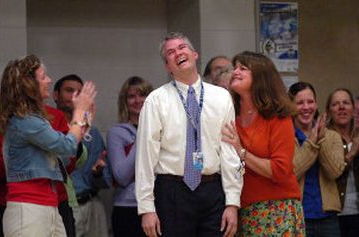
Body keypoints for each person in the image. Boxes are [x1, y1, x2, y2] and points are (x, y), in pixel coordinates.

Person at [135, 32, 242, 237]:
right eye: (171, 52)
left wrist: (232, 202)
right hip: (172, 191)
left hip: (212, 189)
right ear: (167, 66)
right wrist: (146, 208)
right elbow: (145, 157)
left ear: (195, 54)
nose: (178, 53)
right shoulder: (155, 100)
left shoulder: (221, 97)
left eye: (182, 48)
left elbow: (229, 152)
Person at [0, 54, 96, 237]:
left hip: (47, 204)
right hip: (28, 208)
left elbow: (64, 158)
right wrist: (79, 112)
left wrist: (83, 122)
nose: (49, 80)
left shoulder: (33, 119)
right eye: (43, 77)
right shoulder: (25, 120)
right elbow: (66, 146)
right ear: (28, 85)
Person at [222, 51, 305, 236]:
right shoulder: (229, 116)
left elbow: (280, 170)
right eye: (235, 67)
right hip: (242, 208)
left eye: (243, 68)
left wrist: (240, 151)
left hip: (277, 208)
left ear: (261, 77)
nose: (235, 71)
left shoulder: (278, 117)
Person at [54, 74, 112, 237]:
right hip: (61, 206)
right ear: (56, 95)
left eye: (79, 92)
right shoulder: (48, 127)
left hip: (92, 205)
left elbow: (105, 181)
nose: (74, 96)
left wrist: (97, 173)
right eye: (69, 90)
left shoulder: (91, 132)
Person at [289, 82, 345, 237]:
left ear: (316, 103)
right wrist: (312, 143)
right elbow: (290, 174)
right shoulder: (285, 135)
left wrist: (320, 140)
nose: (306, 107)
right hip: (296, 216)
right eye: (300, 103)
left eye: (310, 101)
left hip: (327, 218)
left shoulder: (332, 136)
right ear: (291, 106)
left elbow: (334, 172)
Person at [107, 76, 153, 237]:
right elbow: (122, 176)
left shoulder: (162, 129)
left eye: (142, 95)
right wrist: (144, 134)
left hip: (158, 206)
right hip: (127, 207)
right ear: (124, 101)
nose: (137, 100)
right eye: (132, 96)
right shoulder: (117, 132)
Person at [326, 88, 359, 237]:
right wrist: (351, 154)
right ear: (328, 110)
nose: (341, 107)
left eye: (346, 103)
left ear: (353, 108)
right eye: (336, 104)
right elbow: (331, 173)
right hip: (335, 213)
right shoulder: (323, 137)